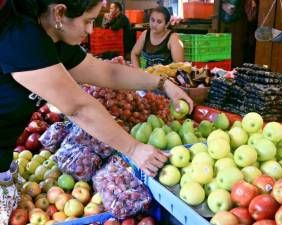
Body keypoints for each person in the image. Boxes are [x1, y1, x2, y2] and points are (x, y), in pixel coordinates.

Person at [0, 0, 193, 223]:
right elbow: (78, 107)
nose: (91, 30)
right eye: (88, 21)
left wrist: (164, 84)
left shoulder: (51, 38)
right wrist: (134, 148)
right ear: (60, 12)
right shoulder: (23, 40)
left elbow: (107, 72)